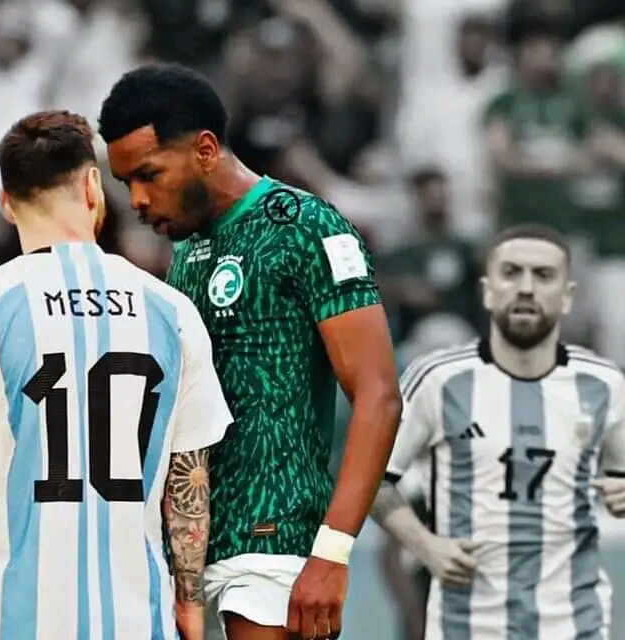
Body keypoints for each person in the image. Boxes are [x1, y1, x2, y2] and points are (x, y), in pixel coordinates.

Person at [0, 110, 233, 640]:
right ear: (93, 186)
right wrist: (189, 600)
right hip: (136, 621)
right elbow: (188, 476)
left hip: (17, 622)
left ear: (6, 203)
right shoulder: (171, 311)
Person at [99, 63, 403, 640]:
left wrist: (332, 552)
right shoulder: (187, 251)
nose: (136, 199)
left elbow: (379, 395)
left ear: (205, 150)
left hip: (276, 541)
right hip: (191, 548)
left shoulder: (307, 227)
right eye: (126, 182)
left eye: (148, 175)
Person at [370, 223, 625, 640]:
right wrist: (425, 546)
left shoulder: (605, 384)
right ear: (488, 291)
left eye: (543, 275)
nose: (526, 288)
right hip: (468, 625)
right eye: (511, 273)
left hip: (573, 625)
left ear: (567, 296)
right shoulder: (436, 380)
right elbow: (373, 479)